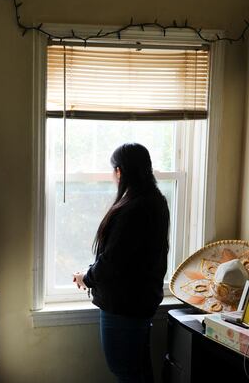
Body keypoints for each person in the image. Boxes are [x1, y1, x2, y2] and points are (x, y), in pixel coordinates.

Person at [72, 143, 169, 383]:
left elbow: (113, 262)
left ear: (120, 171)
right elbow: (129, 258)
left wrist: (87, 277)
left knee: (125, 371)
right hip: (142, 302)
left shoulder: (132, 209)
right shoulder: (156, 202)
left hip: (123, 307)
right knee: (138, 372)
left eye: (114, 171)